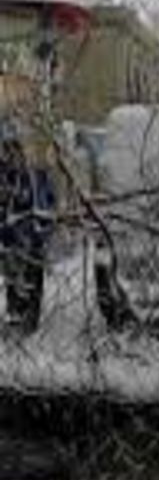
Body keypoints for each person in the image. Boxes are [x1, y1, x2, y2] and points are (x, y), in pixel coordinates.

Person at [0, 124, 56, 333]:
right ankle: (15, 317)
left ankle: (29, 322)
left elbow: (48, 202)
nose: (11, 154)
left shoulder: (36, 174)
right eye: (7, 149)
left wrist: (45, 230)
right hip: (12, 241)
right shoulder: (5, 175)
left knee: (33, 281)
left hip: (34, 239)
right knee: (14, 282)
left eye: (14, 149)